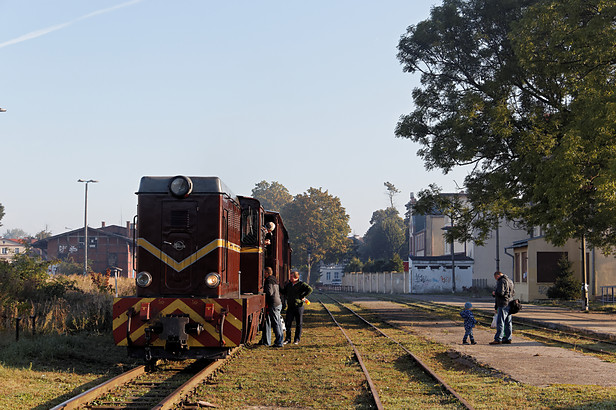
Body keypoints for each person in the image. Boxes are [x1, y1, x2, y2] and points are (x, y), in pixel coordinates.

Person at [281, 270, 312, 345]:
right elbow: (284, 292)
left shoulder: (301, 284)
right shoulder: (288, 285)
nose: (290, 278)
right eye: (290, 277)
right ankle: (288, 339)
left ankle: (297, 339)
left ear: (296, 277)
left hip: (299, 307)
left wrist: (303, 296)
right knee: (288, 323)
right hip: (290, 307)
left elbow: (310, 289)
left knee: (299, 323)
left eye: (292, 277)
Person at [260, 267, 284, 347]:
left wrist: (263, 291)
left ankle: (279, 342)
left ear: (267, 273)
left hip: (273, 303)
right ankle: (280, 340)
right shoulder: (275, 279)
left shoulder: (269, 280)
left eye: (264, 273)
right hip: (278, 302)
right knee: (278, 323)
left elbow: (269, 292)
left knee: (276, 323)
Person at [490, 271, 514, 345]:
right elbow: (513, 292)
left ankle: (498, 339)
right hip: (510, 303)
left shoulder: (501, 281)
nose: (496, 279)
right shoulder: (510, 281)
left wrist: (495, 293)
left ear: (497, 276)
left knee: (500, 322)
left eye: (495, 278)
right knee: (508, 322)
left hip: (503, 303)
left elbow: (501, 292)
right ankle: (508, 338)